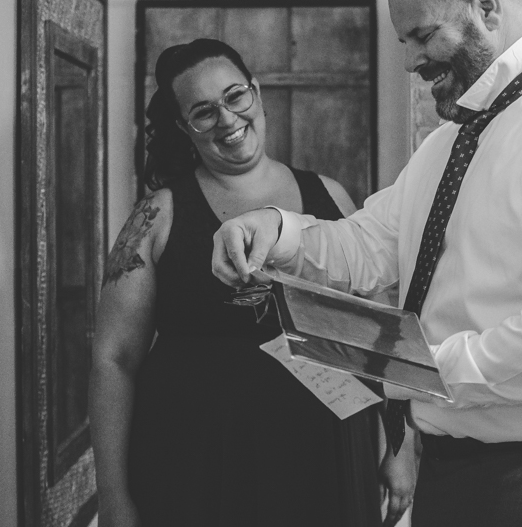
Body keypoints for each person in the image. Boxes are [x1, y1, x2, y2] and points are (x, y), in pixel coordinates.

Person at [212, 0, 522, 527]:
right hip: (451, 467)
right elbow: (367, 244)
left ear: (486, 8)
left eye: (422, 36)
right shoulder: (445, 146)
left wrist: (405, 367)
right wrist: (273, 229)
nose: (410, 62)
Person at [89, 39, 416, 527]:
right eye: (204, 111)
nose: (227, 119)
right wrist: (112, 494)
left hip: (324, 455)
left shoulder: (329, 197)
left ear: (257, 93)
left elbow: (377, 333)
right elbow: (114, 358)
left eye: (235, 96)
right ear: (183, 127)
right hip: (197, 462)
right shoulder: (157, 216)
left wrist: (400, 446)